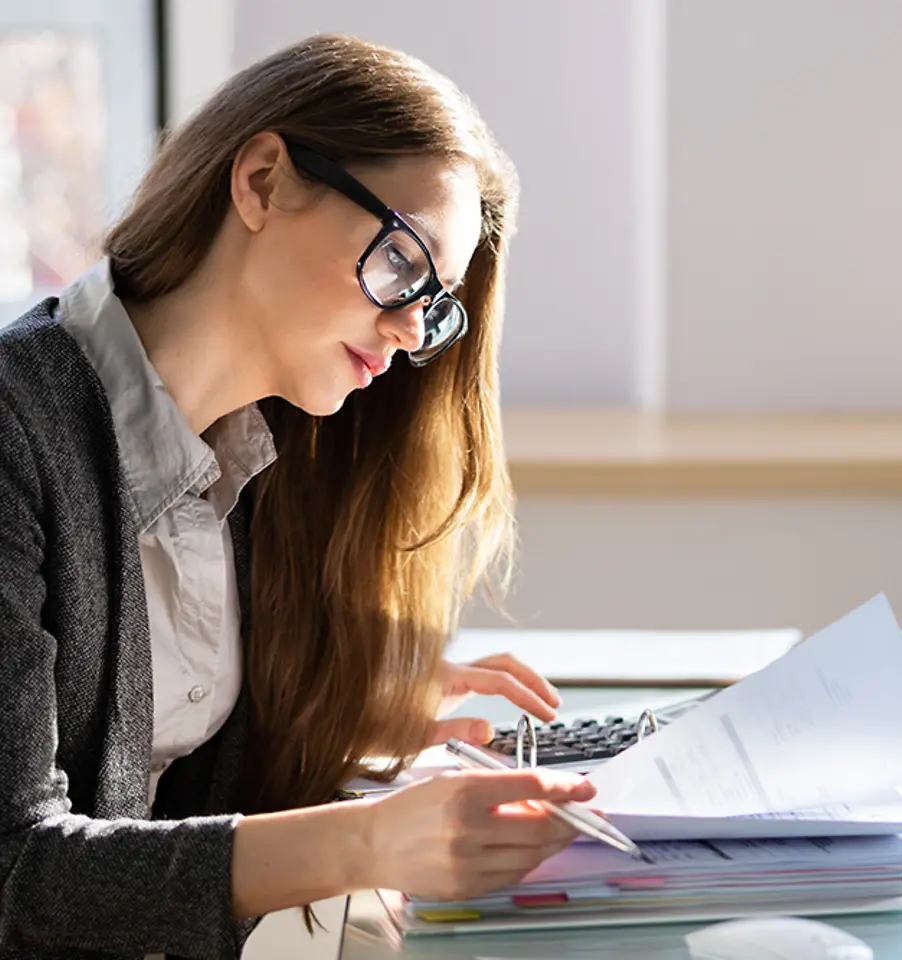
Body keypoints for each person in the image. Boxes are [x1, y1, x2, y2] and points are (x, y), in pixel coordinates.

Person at [0, 34, 596, 959]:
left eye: (434, 300)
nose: (407, 331)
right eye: (402, 261)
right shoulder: (15, 430)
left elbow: (167, 796)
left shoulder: (267, 457)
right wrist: (372, 839)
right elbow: (17, 875)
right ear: (265, 181)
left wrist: (329, 701)